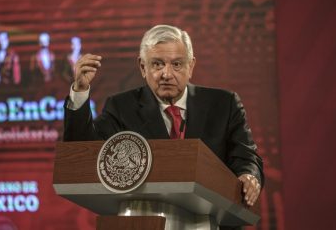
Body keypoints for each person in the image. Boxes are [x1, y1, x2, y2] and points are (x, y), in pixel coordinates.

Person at [63, 25, 264, 208]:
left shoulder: (224, 104)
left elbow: (246, 157)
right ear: (143, 67)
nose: (166, 74)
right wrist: (80, 90)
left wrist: (248, 175)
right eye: (157, 64)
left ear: (191, 66)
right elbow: (84, 155)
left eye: (177, 64)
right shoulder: (122, 107)